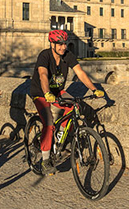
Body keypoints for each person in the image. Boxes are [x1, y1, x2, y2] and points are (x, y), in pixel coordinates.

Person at [30, 29, 104, 175]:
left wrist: (94, 90)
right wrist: (46, 93)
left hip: (58, 92)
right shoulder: (44, 56)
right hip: (41, 93)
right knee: (49, 123)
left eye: (64, 44)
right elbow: (43, 74)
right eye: (60, 44)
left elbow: (80, 73)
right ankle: (45, 161)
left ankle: (59, 140)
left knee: (73, 106)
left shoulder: (68, 56)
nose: (63, 47)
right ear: (52, 43)